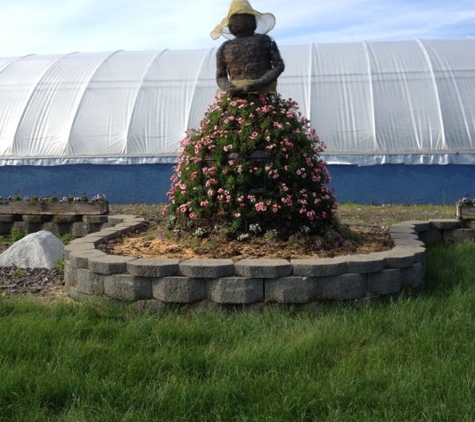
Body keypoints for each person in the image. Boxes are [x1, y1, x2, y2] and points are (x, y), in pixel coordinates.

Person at [211, 0, 285, 96]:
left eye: (245, 18)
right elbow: (221, 77)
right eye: (236, 19)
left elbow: (279, 66)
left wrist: (261, 82)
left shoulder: (264, 40)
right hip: (237, 98)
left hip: (263, 94)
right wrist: (230, 88)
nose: (240, 21)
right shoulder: (224, 47)